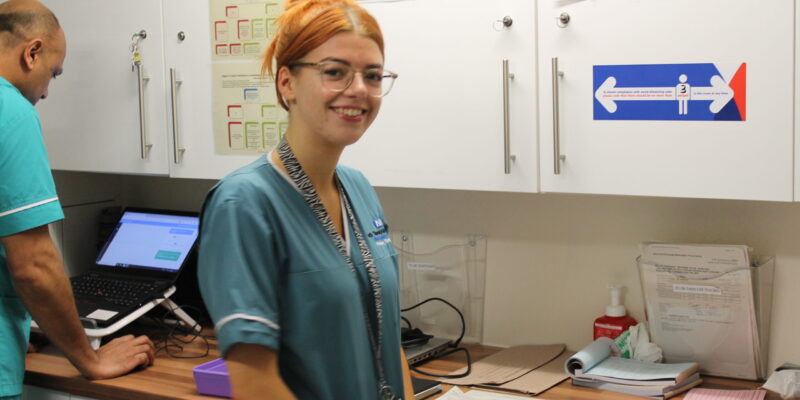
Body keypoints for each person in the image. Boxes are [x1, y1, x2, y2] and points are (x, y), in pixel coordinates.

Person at [197, 0, 413, 398]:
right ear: (287, 84)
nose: (359, 90)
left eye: (373, 75)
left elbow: (386, 337)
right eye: (335, 72)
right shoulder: (244, 203)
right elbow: (253, 380)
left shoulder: (358, 188)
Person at [0, 1, 155, 398]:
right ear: (31, 52)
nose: (48, 92)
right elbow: (33, 265)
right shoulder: (10, 111)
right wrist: (90, 358)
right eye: (52, 73)